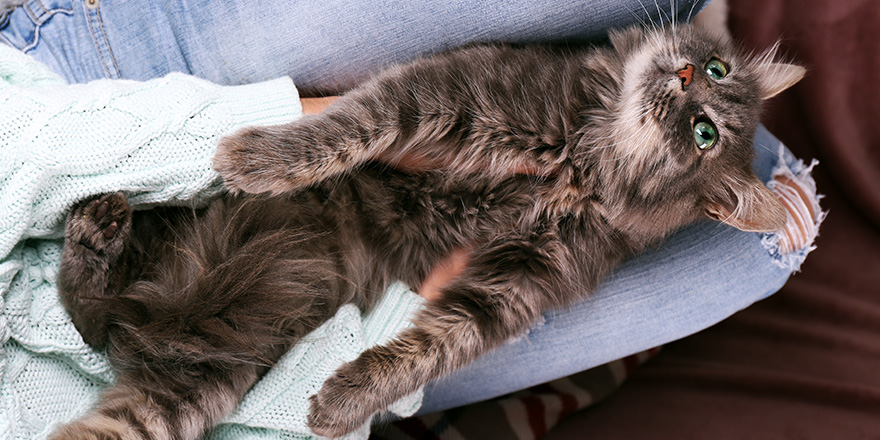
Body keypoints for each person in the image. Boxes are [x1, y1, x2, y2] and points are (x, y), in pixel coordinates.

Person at [0, 0, 821, 427]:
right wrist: (377, 345)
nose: (690, 83)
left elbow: (23, 148)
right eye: (707, 74)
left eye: (704, 103)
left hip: (91, 97)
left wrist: (311, 131)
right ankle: (694, 145)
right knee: (775, 234)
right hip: (314, 294)